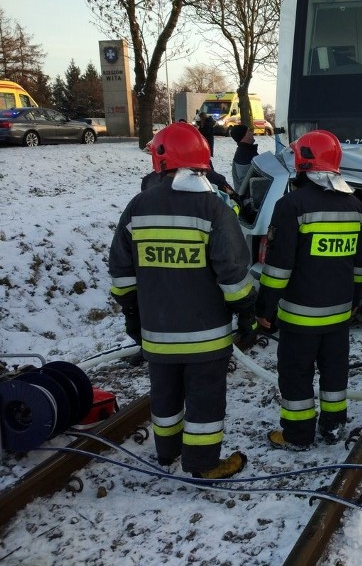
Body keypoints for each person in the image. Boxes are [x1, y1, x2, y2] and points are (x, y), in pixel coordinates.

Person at [108, 122, 257, 480]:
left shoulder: (137, 207)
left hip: (157, 334)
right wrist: (247, 314)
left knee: (164, 395)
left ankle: (167, 452)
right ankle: (203, 464)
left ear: (161, 162)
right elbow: (234, 275)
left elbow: (121, 271)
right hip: (206, 337)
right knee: (205, 400)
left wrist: (132, 313)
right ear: (202, 163)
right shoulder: (213, 209)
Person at [256, 130, 362, 450]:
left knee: (296, 374)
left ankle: (297, 435)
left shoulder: (292, 205)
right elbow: (361, 265)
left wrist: (265, 309)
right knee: (335, 372)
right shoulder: (355, 206)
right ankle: (333, 426)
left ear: (304, 162)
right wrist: (354, 301)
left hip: (300, 317)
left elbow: (278, 268)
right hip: (339, 315)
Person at [230, 124, 258, 194]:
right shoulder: (244, 155)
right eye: (249, 131)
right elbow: (247, 183)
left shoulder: (247, 151)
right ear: (244, 136)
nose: (251, 133)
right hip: (251, 200)